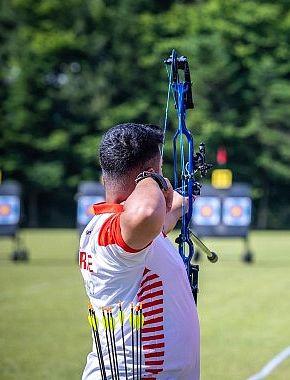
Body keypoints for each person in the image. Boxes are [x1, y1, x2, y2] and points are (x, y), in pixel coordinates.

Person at [78, 122, 200, 379]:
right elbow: (146, 212)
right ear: (149, 173)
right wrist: (151, 179)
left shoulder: (129, 233)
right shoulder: (112, 232)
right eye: (160, 170)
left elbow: (163, 219)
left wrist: (183, 201)